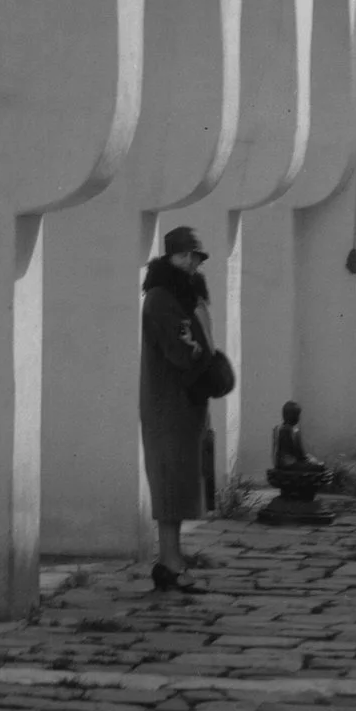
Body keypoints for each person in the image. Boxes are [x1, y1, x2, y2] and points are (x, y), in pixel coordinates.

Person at [139, 223, 219, 594]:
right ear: (169, 257)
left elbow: (203, 344)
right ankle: (170, 562)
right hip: (167, 403)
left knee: (179, 485)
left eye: (195, 256)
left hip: (186, 403)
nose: (191, 262)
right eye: (184, 255)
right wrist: (201, 354)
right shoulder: (160, 298)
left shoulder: (189, 298)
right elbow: (180, 352)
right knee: (170, 485)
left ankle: (171, 560)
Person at [269, 401, 331, 498]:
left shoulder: (278, 429)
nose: (298, 418)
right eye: (297, 415)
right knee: (320, 466)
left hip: (280, 463)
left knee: (314, 463)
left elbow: (276, 450)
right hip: (291, 464)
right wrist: (311, 460)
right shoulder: (293, 430)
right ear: (293, 416)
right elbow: (300, 455)